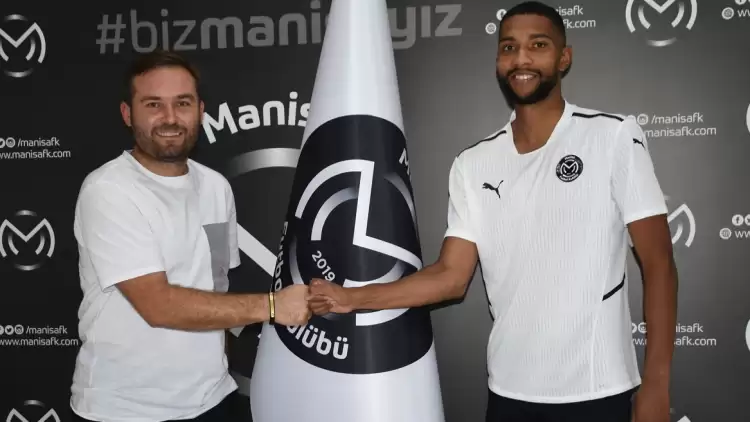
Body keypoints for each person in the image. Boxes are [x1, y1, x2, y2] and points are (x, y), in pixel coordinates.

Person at [307, 2, 678, 422]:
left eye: (538, 45)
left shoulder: (612, 136)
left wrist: (656, 384)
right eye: (508, 47)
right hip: (508, 394)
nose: (521, 59)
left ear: (564, 58)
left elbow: (659, 265)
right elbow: (451, 277)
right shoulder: (472, 163)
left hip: (599, 390)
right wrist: (351, 298)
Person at [69, 50, 311, 422]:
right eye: (153, 104)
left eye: (182, 103)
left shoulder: (216, 188)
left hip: (213, 399)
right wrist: (273, 307)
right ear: (128, 114)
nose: (170, 118)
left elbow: (216, 284)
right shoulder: (108, 190)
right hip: (125, 410)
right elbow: (158, 305)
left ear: (200, 110)